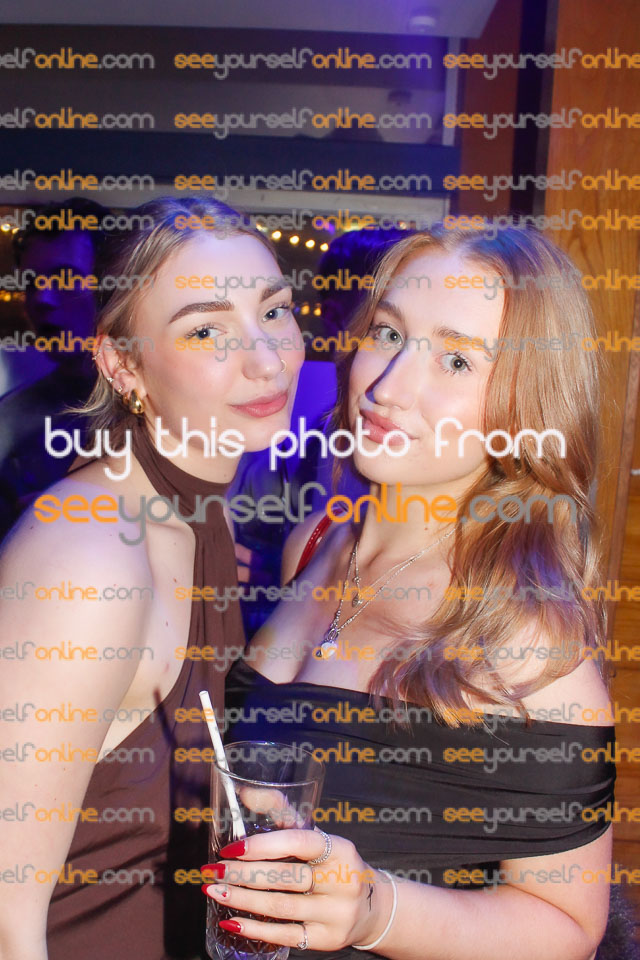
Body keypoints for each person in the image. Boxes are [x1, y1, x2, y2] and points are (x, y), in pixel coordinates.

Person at [205, 227, 616, 960]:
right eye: (388, 333)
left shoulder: (522, 629)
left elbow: (570, 928)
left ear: (525, 406)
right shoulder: (317, 544)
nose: (387, 387)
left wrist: (376, 911)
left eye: (456, 360)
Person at [0, 196, 305, 960]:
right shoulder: (90, 556)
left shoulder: (202, 514)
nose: (267, 359)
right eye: (207, 330)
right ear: (122, 364)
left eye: (274, 311)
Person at [0, 198, 108, 539]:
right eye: (32, 283)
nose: (42, 298)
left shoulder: (175, 405)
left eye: (65, 278)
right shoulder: (12, 423)